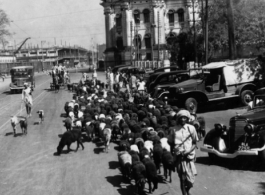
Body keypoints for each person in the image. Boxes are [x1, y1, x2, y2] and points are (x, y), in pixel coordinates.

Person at [171, 110, 198, 195]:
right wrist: (174, 153)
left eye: (184, 117)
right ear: (178, 119)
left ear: (187, 119)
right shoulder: (174, 130)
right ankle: (184, 193)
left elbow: (194, 143)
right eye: (181, 117)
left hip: (189, 157)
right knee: (182, 179)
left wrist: (188, 151)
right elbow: (171, 143)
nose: (183, 119)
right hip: (179, 158)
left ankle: (187, 190)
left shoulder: (191, 128)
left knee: (191, 179)